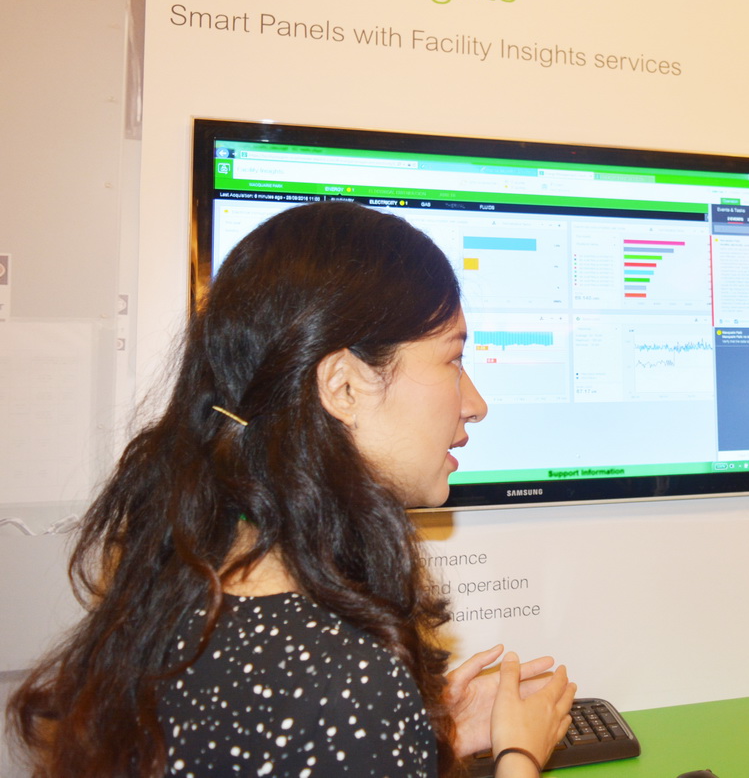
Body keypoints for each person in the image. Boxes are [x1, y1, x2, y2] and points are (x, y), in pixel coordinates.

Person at [7, 202, 575, 777]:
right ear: (343, 386)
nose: (475, 404)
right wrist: (518, 754)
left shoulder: (185, 590)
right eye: (453, 359)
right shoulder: (345, 682)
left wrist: (420, 733)